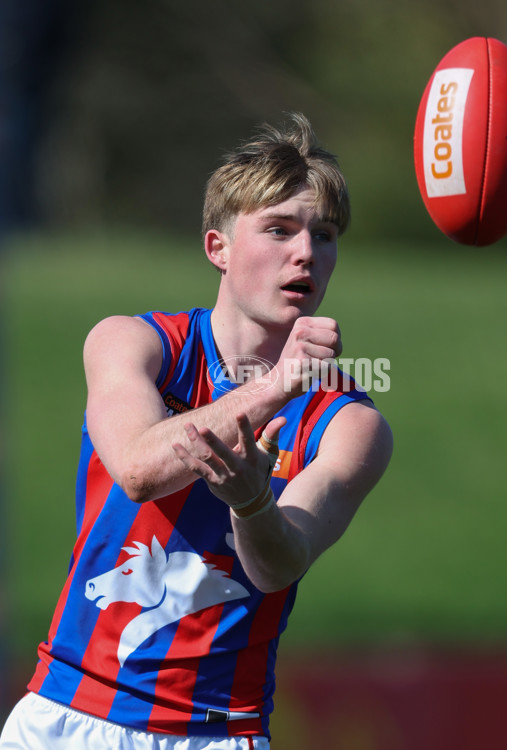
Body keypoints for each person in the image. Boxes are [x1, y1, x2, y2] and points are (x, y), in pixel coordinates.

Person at [0, 112, 393, 749]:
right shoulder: (134, 343)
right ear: (218, 247)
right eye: (278, 229)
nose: (306, 252)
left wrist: (253, 501)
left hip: (213, 732)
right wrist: (272, 388)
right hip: (66, 716)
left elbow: (279, 566)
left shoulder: (350, 423)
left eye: (323, 235)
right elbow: (137, 468)